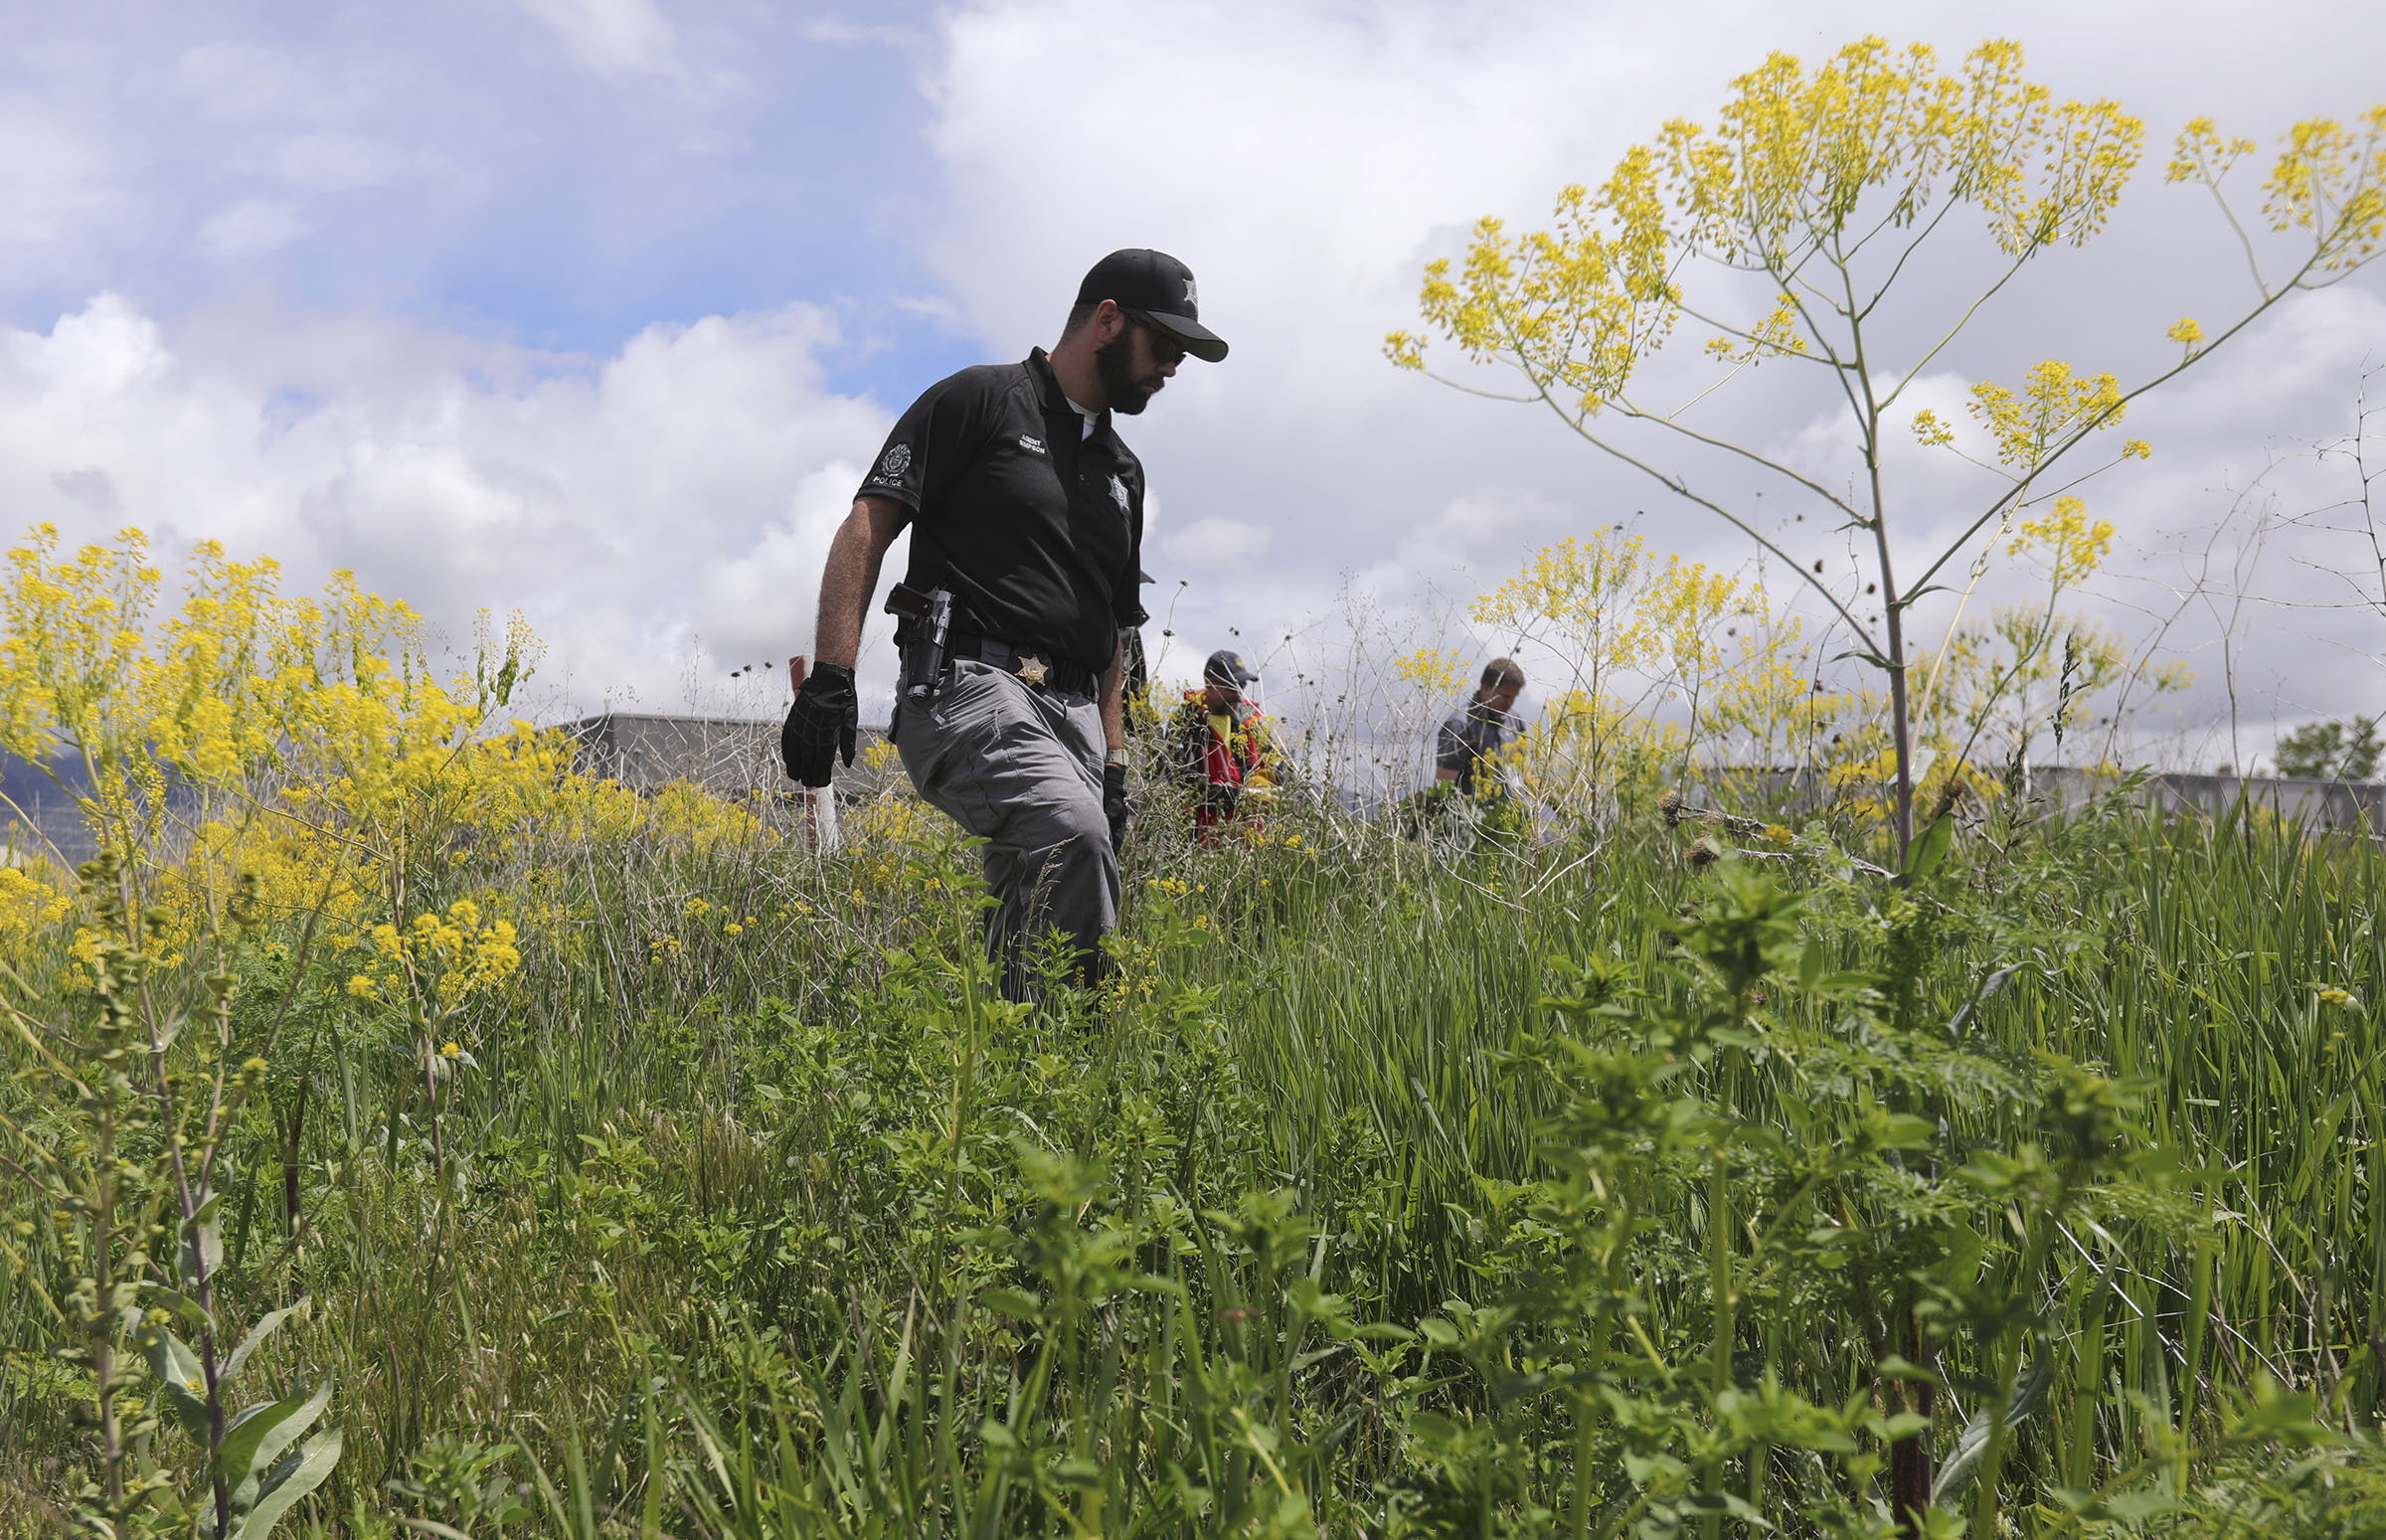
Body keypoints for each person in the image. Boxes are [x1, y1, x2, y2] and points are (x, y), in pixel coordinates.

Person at [779, 249, 1228, 998]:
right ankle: (1080, 1064)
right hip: (971, 687)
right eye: (1166, 344)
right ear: (1108, 322)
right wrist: (832, 675)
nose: (1174, 366)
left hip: (1077, 714)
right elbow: (869, 523)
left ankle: (1012, 1077)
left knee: (1042, 900)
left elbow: (1118, 631)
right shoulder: (980, 402)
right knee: (1073, 834)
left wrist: (1116, 766)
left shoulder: (1125, 473)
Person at [1167, 648, 1279, 843]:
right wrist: (1241, 796)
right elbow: (1183, 783)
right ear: (1209, 683)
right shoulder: (1187, 720)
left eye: (1242, 686)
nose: (1238, 695)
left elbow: (1277, 767)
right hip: (1200, 841)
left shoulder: (1248, 720)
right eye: (1231, 687)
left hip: (1247, 839)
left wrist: (1266, 781)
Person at [1436, 657, 1526, 797]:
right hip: (1469, 815)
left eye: (1514, 697)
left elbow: (1525, 773)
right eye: (1505, 696)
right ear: (1486, 687)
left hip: (1509, 814)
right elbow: (1442, 788)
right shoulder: (1460, 725)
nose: (1510, 703)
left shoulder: (1515, 721)